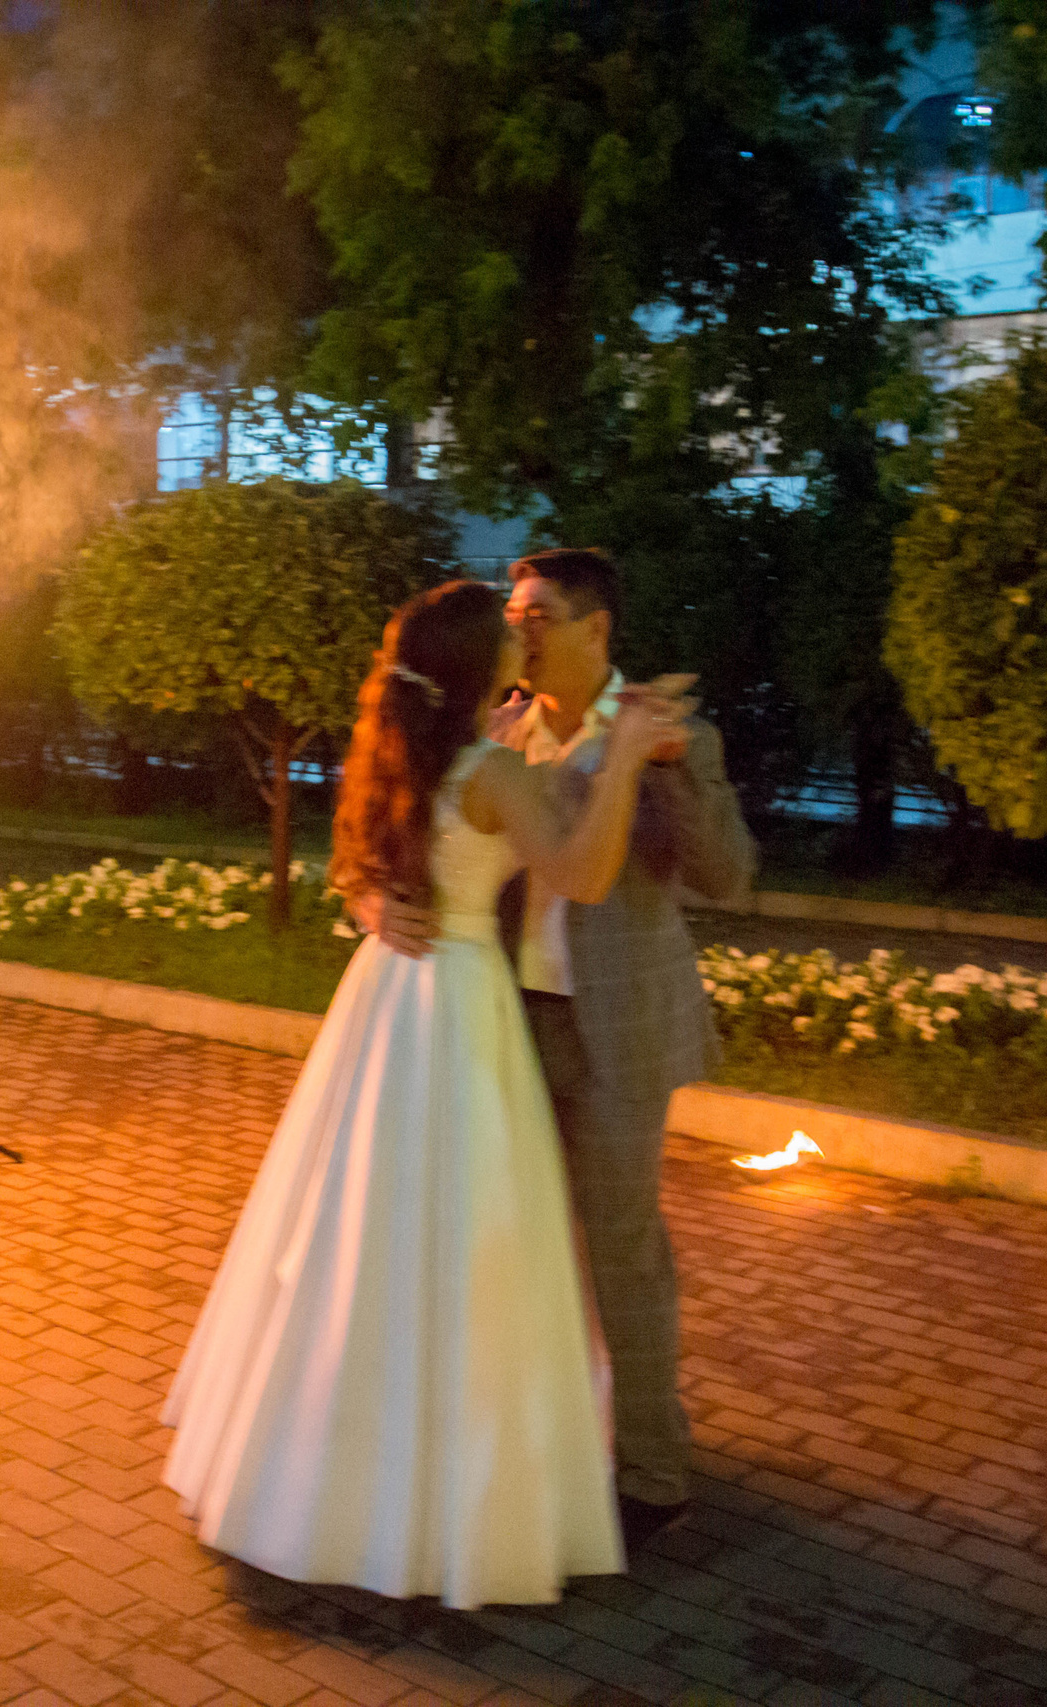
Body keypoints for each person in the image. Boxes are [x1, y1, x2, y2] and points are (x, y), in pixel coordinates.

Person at [162, 578, 688, 1609]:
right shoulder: (491, 768)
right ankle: (453, 1480)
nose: (520, 637)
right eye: (506, 630)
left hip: (389, 1006)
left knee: (365, 1231)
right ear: (471, 667)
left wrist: (369, 894)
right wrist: (623, 761)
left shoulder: (409, 747)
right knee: (468, 1235)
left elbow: (367, 849)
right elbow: (579, 873)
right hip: (460, 1008)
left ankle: (334, 1461)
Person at [357, 548, 755, 1551]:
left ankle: (655, 1470)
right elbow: (390, 824)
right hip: (503, 1022)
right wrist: (368, 897)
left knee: (619, 1246)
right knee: (509, 1243)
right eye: (513, 616)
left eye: (537, 615)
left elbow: (728, 877)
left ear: (595, 630)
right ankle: (534, 1441)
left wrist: (670, 772)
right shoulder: (493, 733)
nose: (518, 631)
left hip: (616, 1025)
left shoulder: (671, 736)